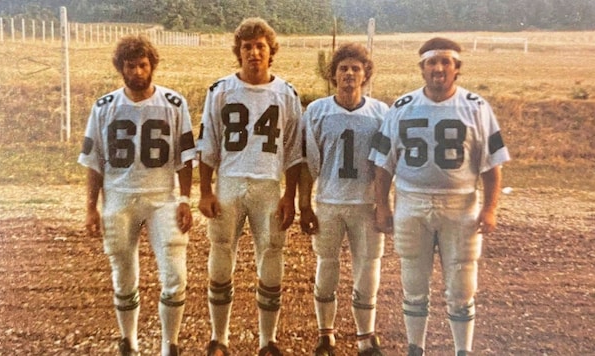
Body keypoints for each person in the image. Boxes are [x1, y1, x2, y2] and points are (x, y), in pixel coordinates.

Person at [369, 37, 511, 356]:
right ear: (422, 68)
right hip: (411, 201)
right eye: (432, 62)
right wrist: (382, 205)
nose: (438, 68)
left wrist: (490, 209)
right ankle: (414, 348)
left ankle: (463, 350)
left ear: (457, 68)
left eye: (446, 62)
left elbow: (492, 166)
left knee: (461, 287)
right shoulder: (402, 107)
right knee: (414, 286)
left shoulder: (475, 106)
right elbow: (383, 165)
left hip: (460, 204)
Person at [78, 34, 195, 356]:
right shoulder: (104, 106)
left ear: (152, 65)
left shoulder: (174, 103)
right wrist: (90, 208)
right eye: (131, 66)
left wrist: (185, 200)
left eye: (143, 65)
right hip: (118, 196)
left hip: (162, 196)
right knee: (123, 273)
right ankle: (128, 341)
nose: (138, 72)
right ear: (121, 68)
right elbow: (94, 162)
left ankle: (169, 344)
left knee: (174, 276)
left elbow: (186, 157)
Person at [196, 17, 303, 356]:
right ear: (238, 51)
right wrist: (204, 190)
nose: (254, 53)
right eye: (247, 47)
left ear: (271, 52)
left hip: (268, 184)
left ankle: (267, 340)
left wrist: (290, 195)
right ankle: (219, 338)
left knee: (271, 256)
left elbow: (294, 150)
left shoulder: (286, 93)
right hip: (229, 180)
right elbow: (208, 143)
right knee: (221, 252)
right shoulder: (221, 90)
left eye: (260, 46)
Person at [299, 43, 389, 356]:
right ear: (333, 74)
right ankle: (326, 335)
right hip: (330, 201)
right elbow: (307, 163)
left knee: (368, 269)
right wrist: (304, 204)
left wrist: (383, 205)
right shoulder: (317, 111)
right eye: (343, 68)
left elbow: (384, 165)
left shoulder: (380, 113)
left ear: (365, 74)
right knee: (327, 267)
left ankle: (366, 337)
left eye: (355, 68)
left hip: (365, 204)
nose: (349, 73)